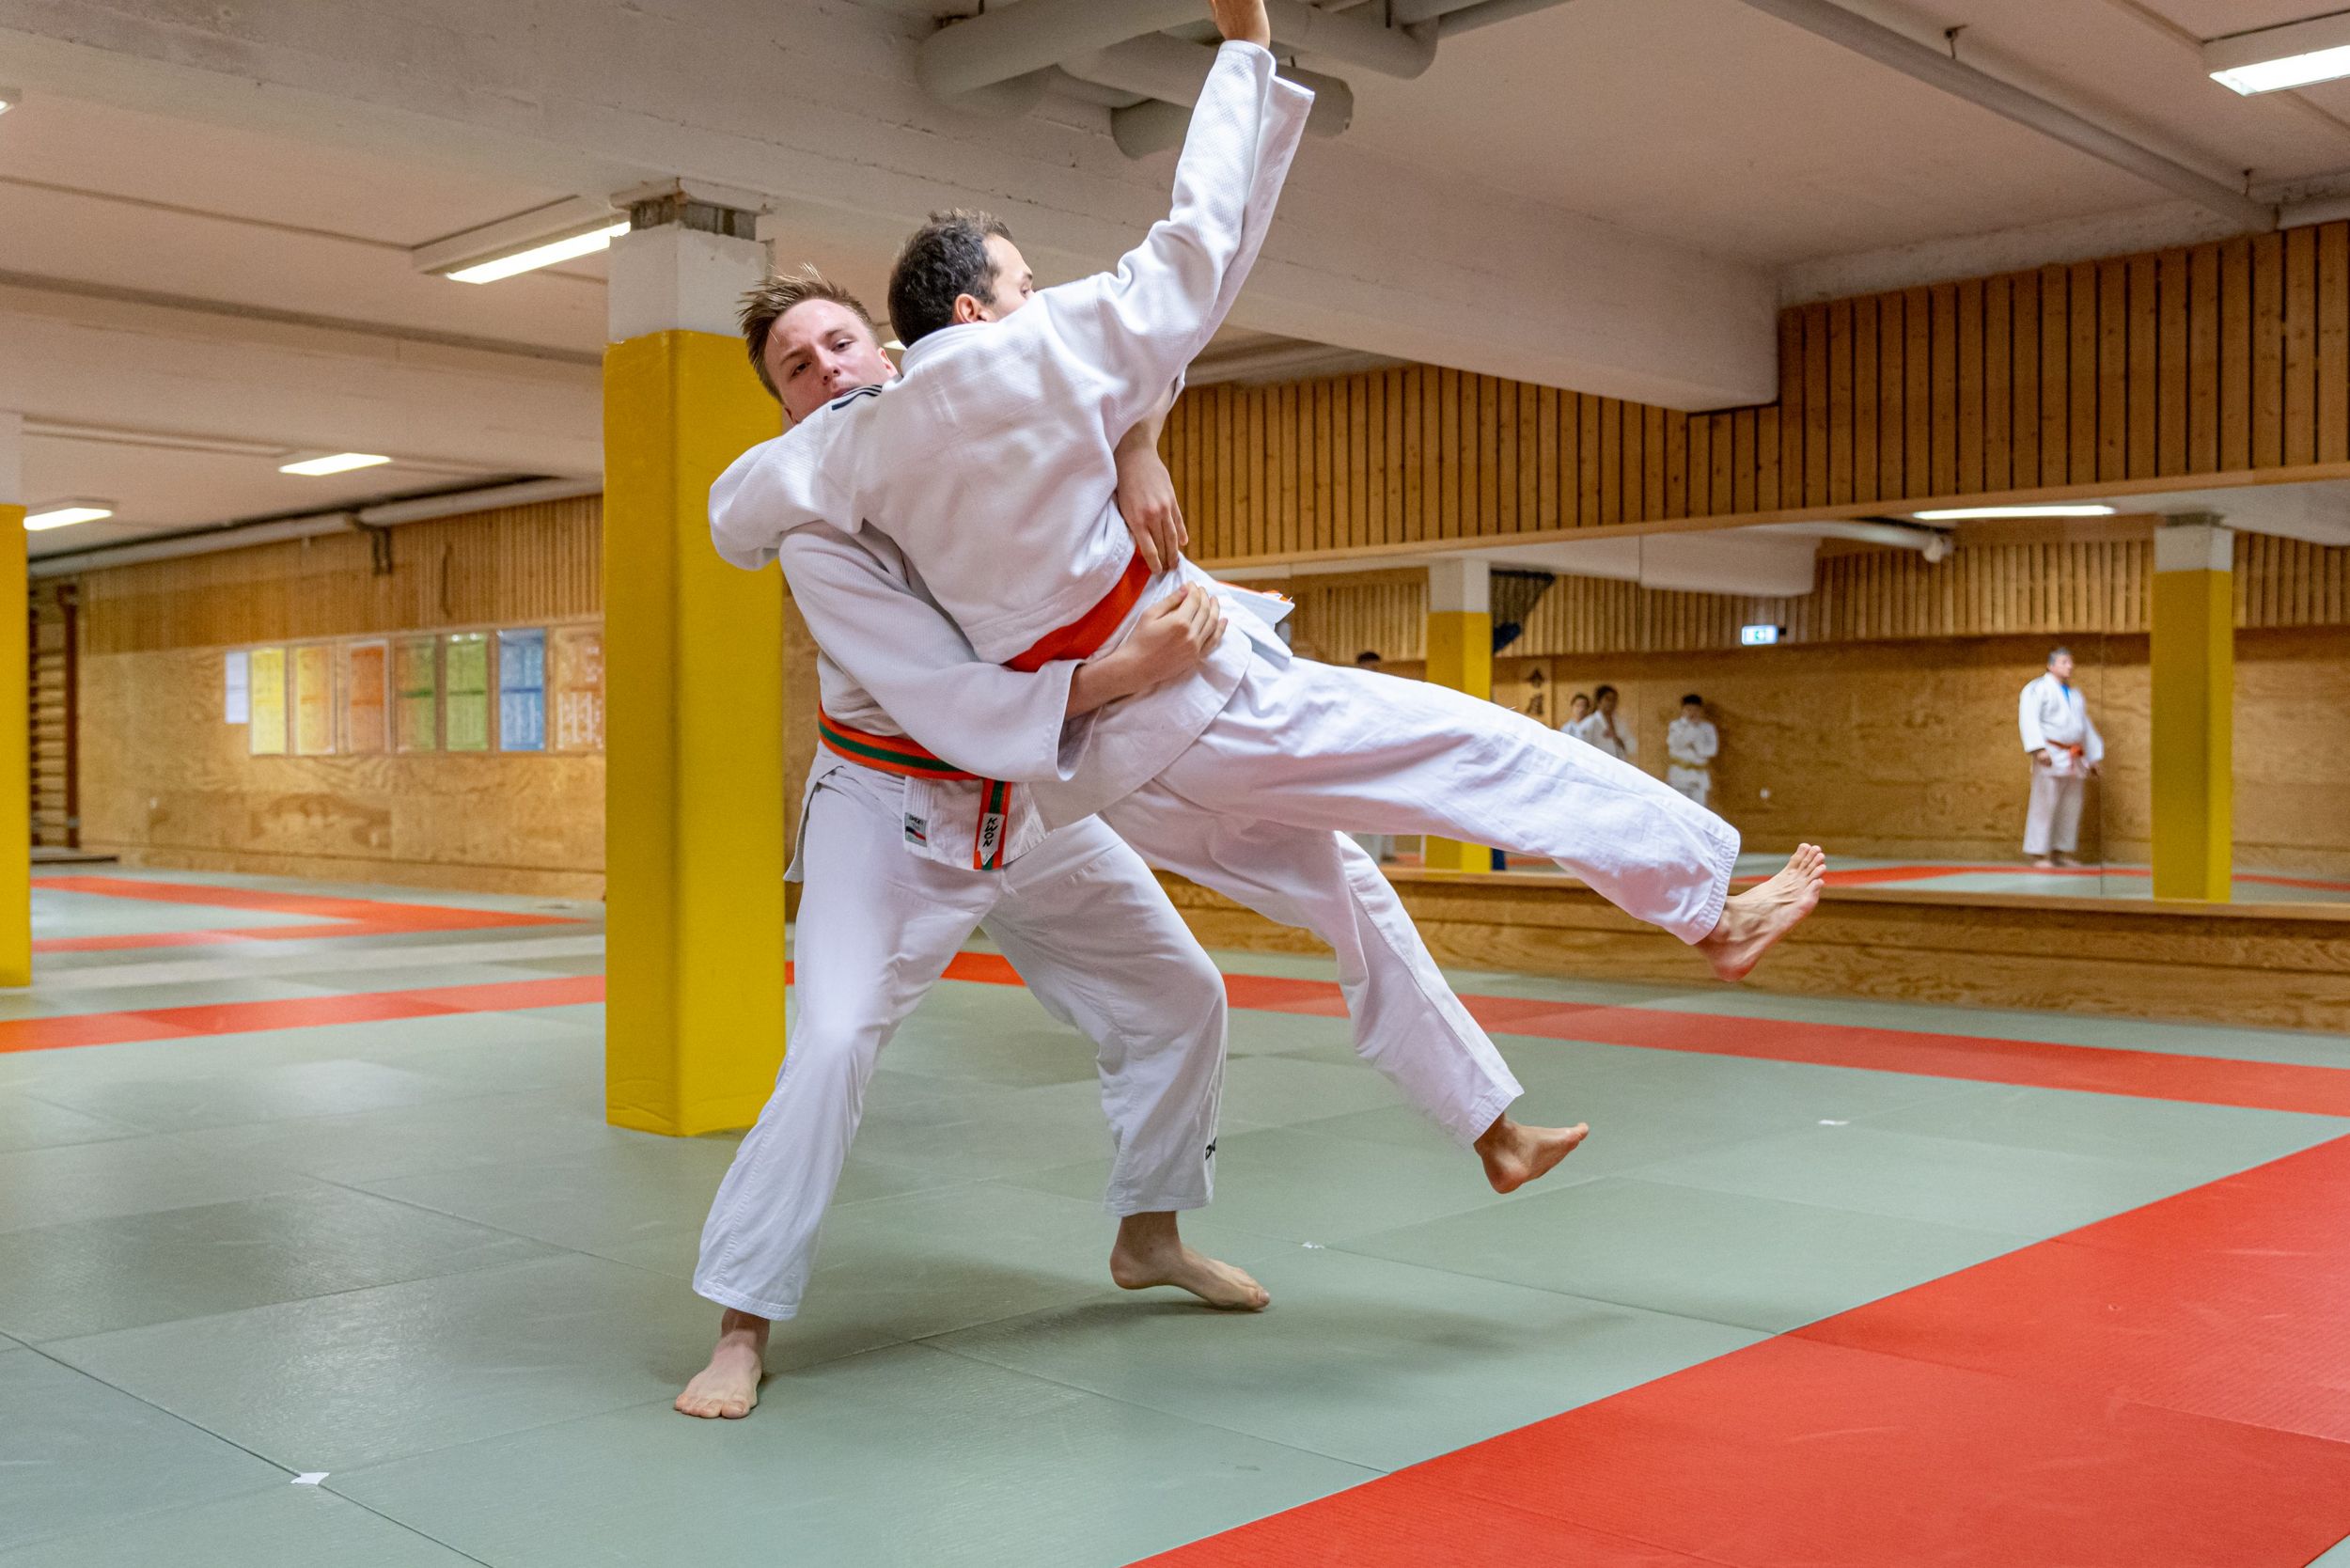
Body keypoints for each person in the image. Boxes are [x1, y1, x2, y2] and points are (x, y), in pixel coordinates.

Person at [709, 0, 1825, 988]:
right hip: (1191, 694)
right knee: (1470, 750)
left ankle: (1495, 1106)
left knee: (1349, 893)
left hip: (1111, 766)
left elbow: (733, 515)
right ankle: (1707, 911)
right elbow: (1201, 238)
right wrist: (1243, 48)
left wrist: (1132, 445)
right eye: (1023, 281)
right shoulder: (1047, 345)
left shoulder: (845, 447)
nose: (1038, 295)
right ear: (973, 308)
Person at [683, 269, 1600, 1419]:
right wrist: (1123, 672)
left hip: (1025, 798)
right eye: (796, 367)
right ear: (783, 407)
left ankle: (1149, 1237)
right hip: (889, 811)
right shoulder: (815, 530)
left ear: (889, 352)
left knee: (1181, 995)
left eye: (838, 344)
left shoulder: (978, 414)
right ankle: (741, 1321)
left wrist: (1136, 449)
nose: (826, 370)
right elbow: (945, 698)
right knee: (830, 1045)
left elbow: (1124, 353)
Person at [2018, 646, 2102, 868]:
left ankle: (2060, 852)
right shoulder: (2037, 689)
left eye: (2071, 662)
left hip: (2073, 755)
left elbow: (2084, 727)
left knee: (2070, 806)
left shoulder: (2075, 695)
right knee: (2044, 803)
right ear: (2050, 665)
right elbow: (2029, 718)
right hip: (2051, 752)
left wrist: (2093, 757)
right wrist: (2038, 748)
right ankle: (2038, 854)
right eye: (2064, 662)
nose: (2070, 666)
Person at [1666, 695, 1719, 808]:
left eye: (1696, 710)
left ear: (1701, 710)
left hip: (1699, 775)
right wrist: (1692, 728)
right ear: (1683, 710)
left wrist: (1698, 747)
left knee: (1699, 810)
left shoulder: (1707, 727)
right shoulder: (1675, 726)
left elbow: (1712, 750)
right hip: (1679, 774)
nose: (1692, 713)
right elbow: (1677, 745)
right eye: (1689, 709)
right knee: (1679, 809)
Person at [1568, 684, 1637, 765]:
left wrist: (1616, 738)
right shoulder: (1590, 723)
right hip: (1597, 766)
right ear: (1599, 701)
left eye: (1614, 700)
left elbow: (1632, 746)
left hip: (1618, 765)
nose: (1611, 703)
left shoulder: (1620, 722)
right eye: (1608, 699)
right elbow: (1581, 748)